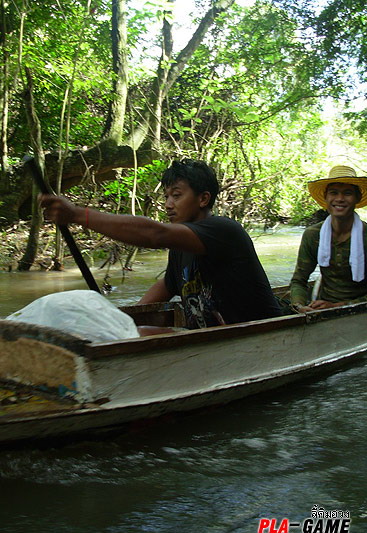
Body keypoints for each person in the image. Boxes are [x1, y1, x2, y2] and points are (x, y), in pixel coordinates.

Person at [40, 159, 281, 329]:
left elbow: (156, 234)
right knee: (137, 332)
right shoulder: (180, 249)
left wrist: (78, 215)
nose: (167, 204)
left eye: (176, 195)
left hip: (255, 333)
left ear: (203, 198)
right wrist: (126, 320)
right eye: (166, 196)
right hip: (211, 339)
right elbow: (167, 285)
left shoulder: (225, 231)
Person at [290, 164, 367, 313]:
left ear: (357, 198)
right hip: (323, 305)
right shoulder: (312, 235)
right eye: (334, 193)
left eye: (347, 193)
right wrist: (299, 306)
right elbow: (299, 280)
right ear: (326, 198)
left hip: (360, 310)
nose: (340, 199)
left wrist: (338, 307)